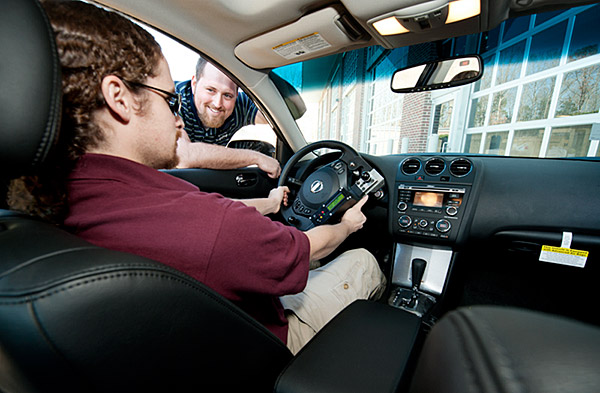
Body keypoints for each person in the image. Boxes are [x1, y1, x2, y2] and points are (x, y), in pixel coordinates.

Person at [8, 0, 385, 354]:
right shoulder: (206, 227)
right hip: (265, 344)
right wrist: (349, 224)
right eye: (169, 100)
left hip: (198, 345)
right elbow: (306, 248)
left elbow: (210, 214)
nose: (177, 119)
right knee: (364, 261)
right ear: (119, 98)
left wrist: (269, 203)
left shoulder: (48, 208)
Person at [175, 57, 281, 178]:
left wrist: (261, 74)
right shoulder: (174, 100)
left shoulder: (239, 106)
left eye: (227, 95)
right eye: (210, 90)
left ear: (236, 94)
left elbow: (295, 109)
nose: (217, 104)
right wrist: (257, 158)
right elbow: (184, 156)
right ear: (194, 84)